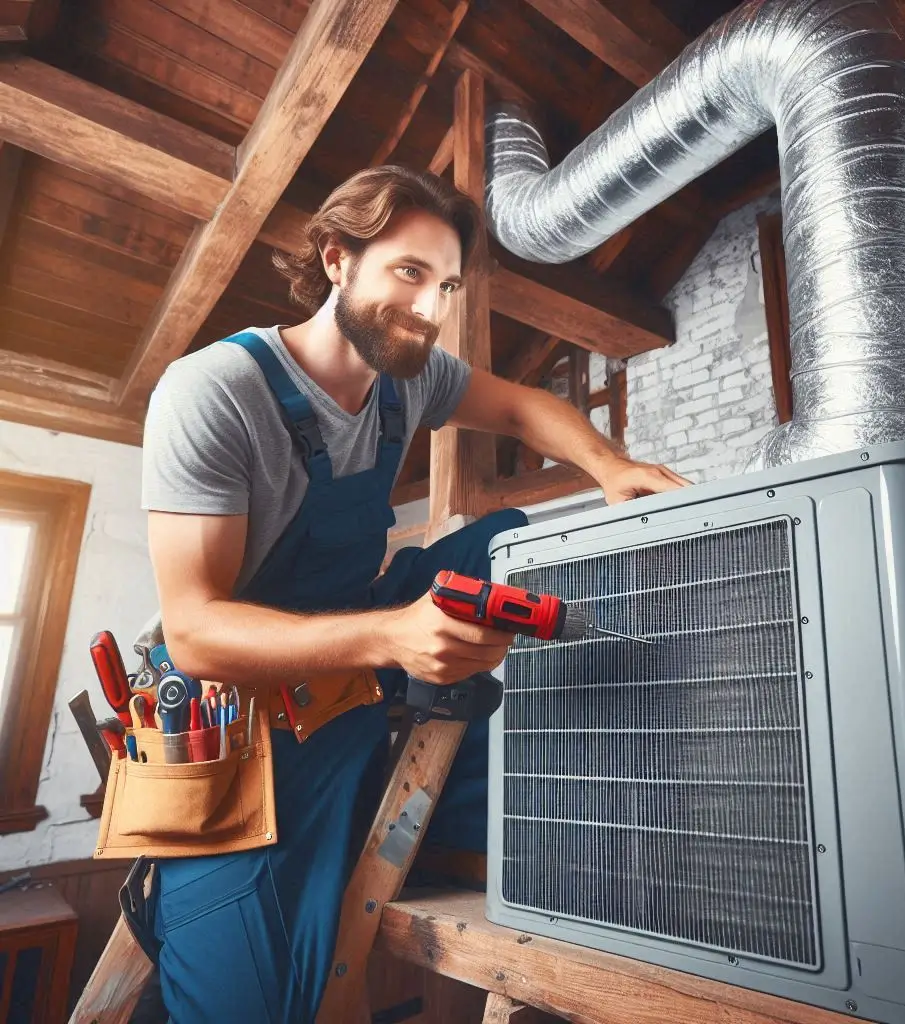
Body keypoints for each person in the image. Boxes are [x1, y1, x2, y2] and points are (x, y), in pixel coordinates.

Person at [139, 164, 688, 1021]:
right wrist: (394, 636)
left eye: (447, 285)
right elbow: (198, 630)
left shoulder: (410, 377)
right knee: (247, 1000)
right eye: (408, 274)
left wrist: (610, 467)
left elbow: (521, 409)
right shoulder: (215, 392)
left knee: (511, 550)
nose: (432, 310)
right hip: (238, 708)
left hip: (358, 648)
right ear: (335, 259)